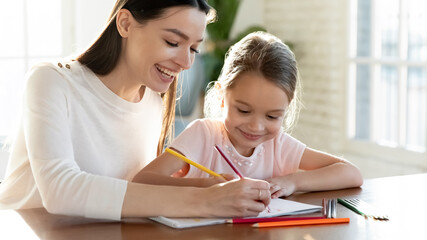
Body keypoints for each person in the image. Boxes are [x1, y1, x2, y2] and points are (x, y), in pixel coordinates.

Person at [0, 0, 271, 220]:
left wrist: (211, 187)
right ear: (126, 23)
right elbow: (60, 189)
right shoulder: (51, 81)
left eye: (194, 49)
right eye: (173, 43)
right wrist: (205, 200)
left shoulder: (153, 99)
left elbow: (134, 189)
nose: (186, 62)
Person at [133, 31, 363, 198]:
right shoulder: (203, 135)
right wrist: (209, 186)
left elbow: (351, 174)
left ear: (287, 108)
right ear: (222, 97)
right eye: (243, 110)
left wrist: (291, 182)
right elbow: (143, 181)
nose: (256, 126)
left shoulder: (278, 145)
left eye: (272, 117)